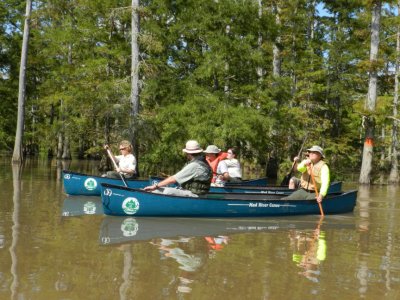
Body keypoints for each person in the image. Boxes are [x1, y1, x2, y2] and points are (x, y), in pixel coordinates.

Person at [144, 140, 212, 197]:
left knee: (163, 191)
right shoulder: (202, 162)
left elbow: (173, 179)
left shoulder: (194, 165)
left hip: (195, 195)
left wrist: (155, 186)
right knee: (160, 190)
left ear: (188, 153)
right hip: (196, 193)